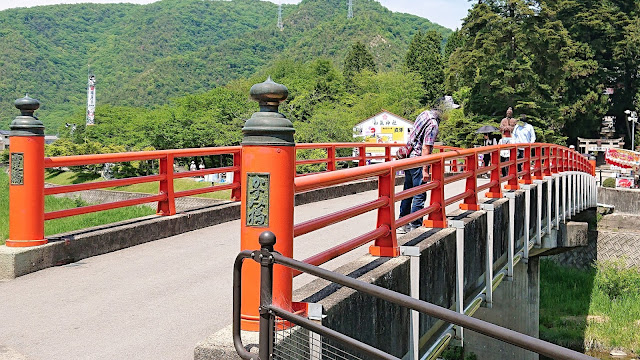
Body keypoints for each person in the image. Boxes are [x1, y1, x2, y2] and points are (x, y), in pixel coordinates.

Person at [397, 106, 444, 235]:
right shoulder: (433, 124)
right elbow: (426, 147)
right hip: (418, 159)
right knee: (419, 193)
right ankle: (415, 225)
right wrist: (425, 169)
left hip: (409, 158)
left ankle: (402, 223)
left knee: (408, 191)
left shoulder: (424, 114)